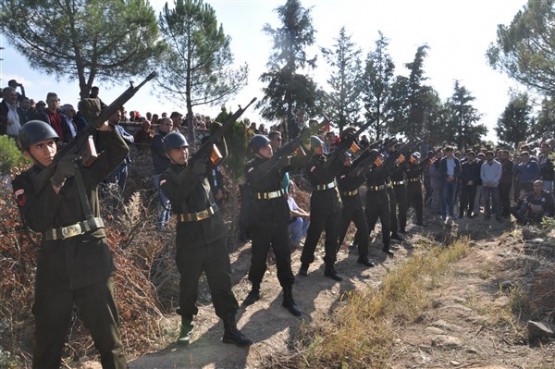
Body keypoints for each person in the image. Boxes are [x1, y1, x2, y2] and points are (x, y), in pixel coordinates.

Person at [12, 120, 129, 369]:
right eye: (39, 146)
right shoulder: (25, 183)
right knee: (47, 343)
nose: (48, 151)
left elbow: (119, 154)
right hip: (55, 267)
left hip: (92, 257)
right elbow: (36, 222)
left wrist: (107, 129)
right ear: (27, 153)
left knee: (109, 339)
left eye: (51, 144)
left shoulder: (80, 167)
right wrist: (55, 183)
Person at [160, 131, 252, 345]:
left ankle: (230, 328)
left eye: (184, 148)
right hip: (189, 236)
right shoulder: (167, 176)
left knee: (221, 282)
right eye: (177, 149)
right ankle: (186, 326)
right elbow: (177, 195)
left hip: (213, 232)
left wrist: (218, 138)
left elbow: (220, 156)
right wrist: (194, 173)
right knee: (188, 284)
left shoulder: (198, 164)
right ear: (168, 154)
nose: (183, 152)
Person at [242, 134, 302, 316]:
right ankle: (255, 289)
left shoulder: (277, 162)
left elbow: (299, 163)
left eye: (270, 145)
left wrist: (300, 144)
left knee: (284, 256)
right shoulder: (250, 167)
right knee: (259, 256)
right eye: (265, 147)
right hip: (261, 218)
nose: (270, 148)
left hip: (278, 216)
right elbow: (258, 176)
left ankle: (288, 294)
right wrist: (276, 160)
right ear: (256, 151)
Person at [299, 135, 347, 281]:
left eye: (321, 145)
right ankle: (305, 264)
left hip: (333, 198)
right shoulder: (311, 164)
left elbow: (338, 171)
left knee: (333, 235)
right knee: (314, 233)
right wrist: (337, 163)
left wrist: (340, 154)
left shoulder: (326, 159)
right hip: (320, 200)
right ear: (312, 149)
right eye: (319, 146)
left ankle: (330, 267)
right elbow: (325, 176)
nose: (322, 148)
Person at [336, 128, 375, 267]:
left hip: (356, 200)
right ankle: (331, 257)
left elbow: (356, 162)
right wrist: (363, 174)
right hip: (345, 202)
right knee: (340, 232)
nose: (348, 160)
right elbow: (349, 183)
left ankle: (363, 257)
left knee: (364, 229)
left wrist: (368, 154)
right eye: (351, 137)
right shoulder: (339, 157)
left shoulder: (348, 154)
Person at [150, 117, 173, 230]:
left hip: (169, 174)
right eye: (167, 124)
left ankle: (165, 226)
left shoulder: (168, 138)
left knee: (168, 203)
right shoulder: (158, 138)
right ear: (161, 125)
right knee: (163, 203)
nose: (169, 127)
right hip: (161, 174)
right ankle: (160, 228)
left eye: (171, 125)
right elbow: (166, 154)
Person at [438, 146, 461, 220]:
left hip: (454, 181)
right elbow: (441, 171)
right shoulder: (443, 160)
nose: (450, 153)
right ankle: (444, 214)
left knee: (452, 198)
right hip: (445, 181)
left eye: (452, 151)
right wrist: (447, 176)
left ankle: (451, 213)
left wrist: (454, 176)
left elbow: (459, 171)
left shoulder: (456, 160)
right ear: (446, 152)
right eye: (449, 152)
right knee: (444, 197)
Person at [286, 180, 310, 250]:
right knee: (299, 220)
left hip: (290, 225)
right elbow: (291, 212)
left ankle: (296, 239)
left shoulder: (290, 198)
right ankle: (294, 241)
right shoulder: (283, 199)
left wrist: (307, 215)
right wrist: (304, 215)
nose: (293, 190)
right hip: (284, 226)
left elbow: (298, 208)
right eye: (291, 187)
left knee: (306, 220)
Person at [480, 151, 502, 221]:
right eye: (488, 155)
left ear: (493, 156)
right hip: (485, 185)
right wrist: (486, 181)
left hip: (495, 185)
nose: (489, 157)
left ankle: (497, 215)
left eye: (490, 155)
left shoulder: (498, 164)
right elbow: (482, 175)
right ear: (486, 157)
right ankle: (487, 215)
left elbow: (499, 175)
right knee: (486, 200)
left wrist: (493, 182)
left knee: (496, 200)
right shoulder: (483, 165)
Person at [458, 151, 480, 218]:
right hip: (465, 184)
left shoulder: (476, 165)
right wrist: (467, 181)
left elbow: (478, 175)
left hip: (473, 184)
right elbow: (461, 174)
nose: (470, 157)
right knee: (463, 200)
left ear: (474, 157)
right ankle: (461, 214)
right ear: (467, 156)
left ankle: (469, 214)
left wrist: (472, 181)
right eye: (469, 156)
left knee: (472, 200)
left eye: (472, 156)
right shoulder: (463, 164)